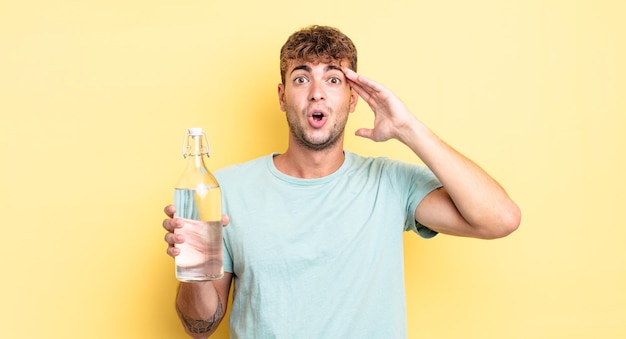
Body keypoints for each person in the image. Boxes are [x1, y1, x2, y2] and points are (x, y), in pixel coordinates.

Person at [162, 25, 520, 338]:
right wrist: (194, 265)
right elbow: (200, 327)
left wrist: (408, 129)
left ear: (353, 99)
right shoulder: (223, 191)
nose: (317, 92)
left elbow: (500, 219)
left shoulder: (390, 183)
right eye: (301, 78)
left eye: (334, 79)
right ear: (283, 97)